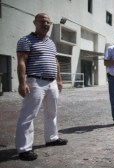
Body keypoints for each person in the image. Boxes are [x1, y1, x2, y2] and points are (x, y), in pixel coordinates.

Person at [15, 13, 68, 161]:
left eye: (48, 22)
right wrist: (22, 82)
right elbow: (21, 62)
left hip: (51, 82)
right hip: (35, 81)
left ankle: (52, 138)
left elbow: (55, 61)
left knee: (52, 112)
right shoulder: (26, 40)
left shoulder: (51, 43)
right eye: (42, 21)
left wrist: (59, 79)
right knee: (28, 115)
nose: (46, 24)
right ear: (35, 22)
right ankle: (24, 148)